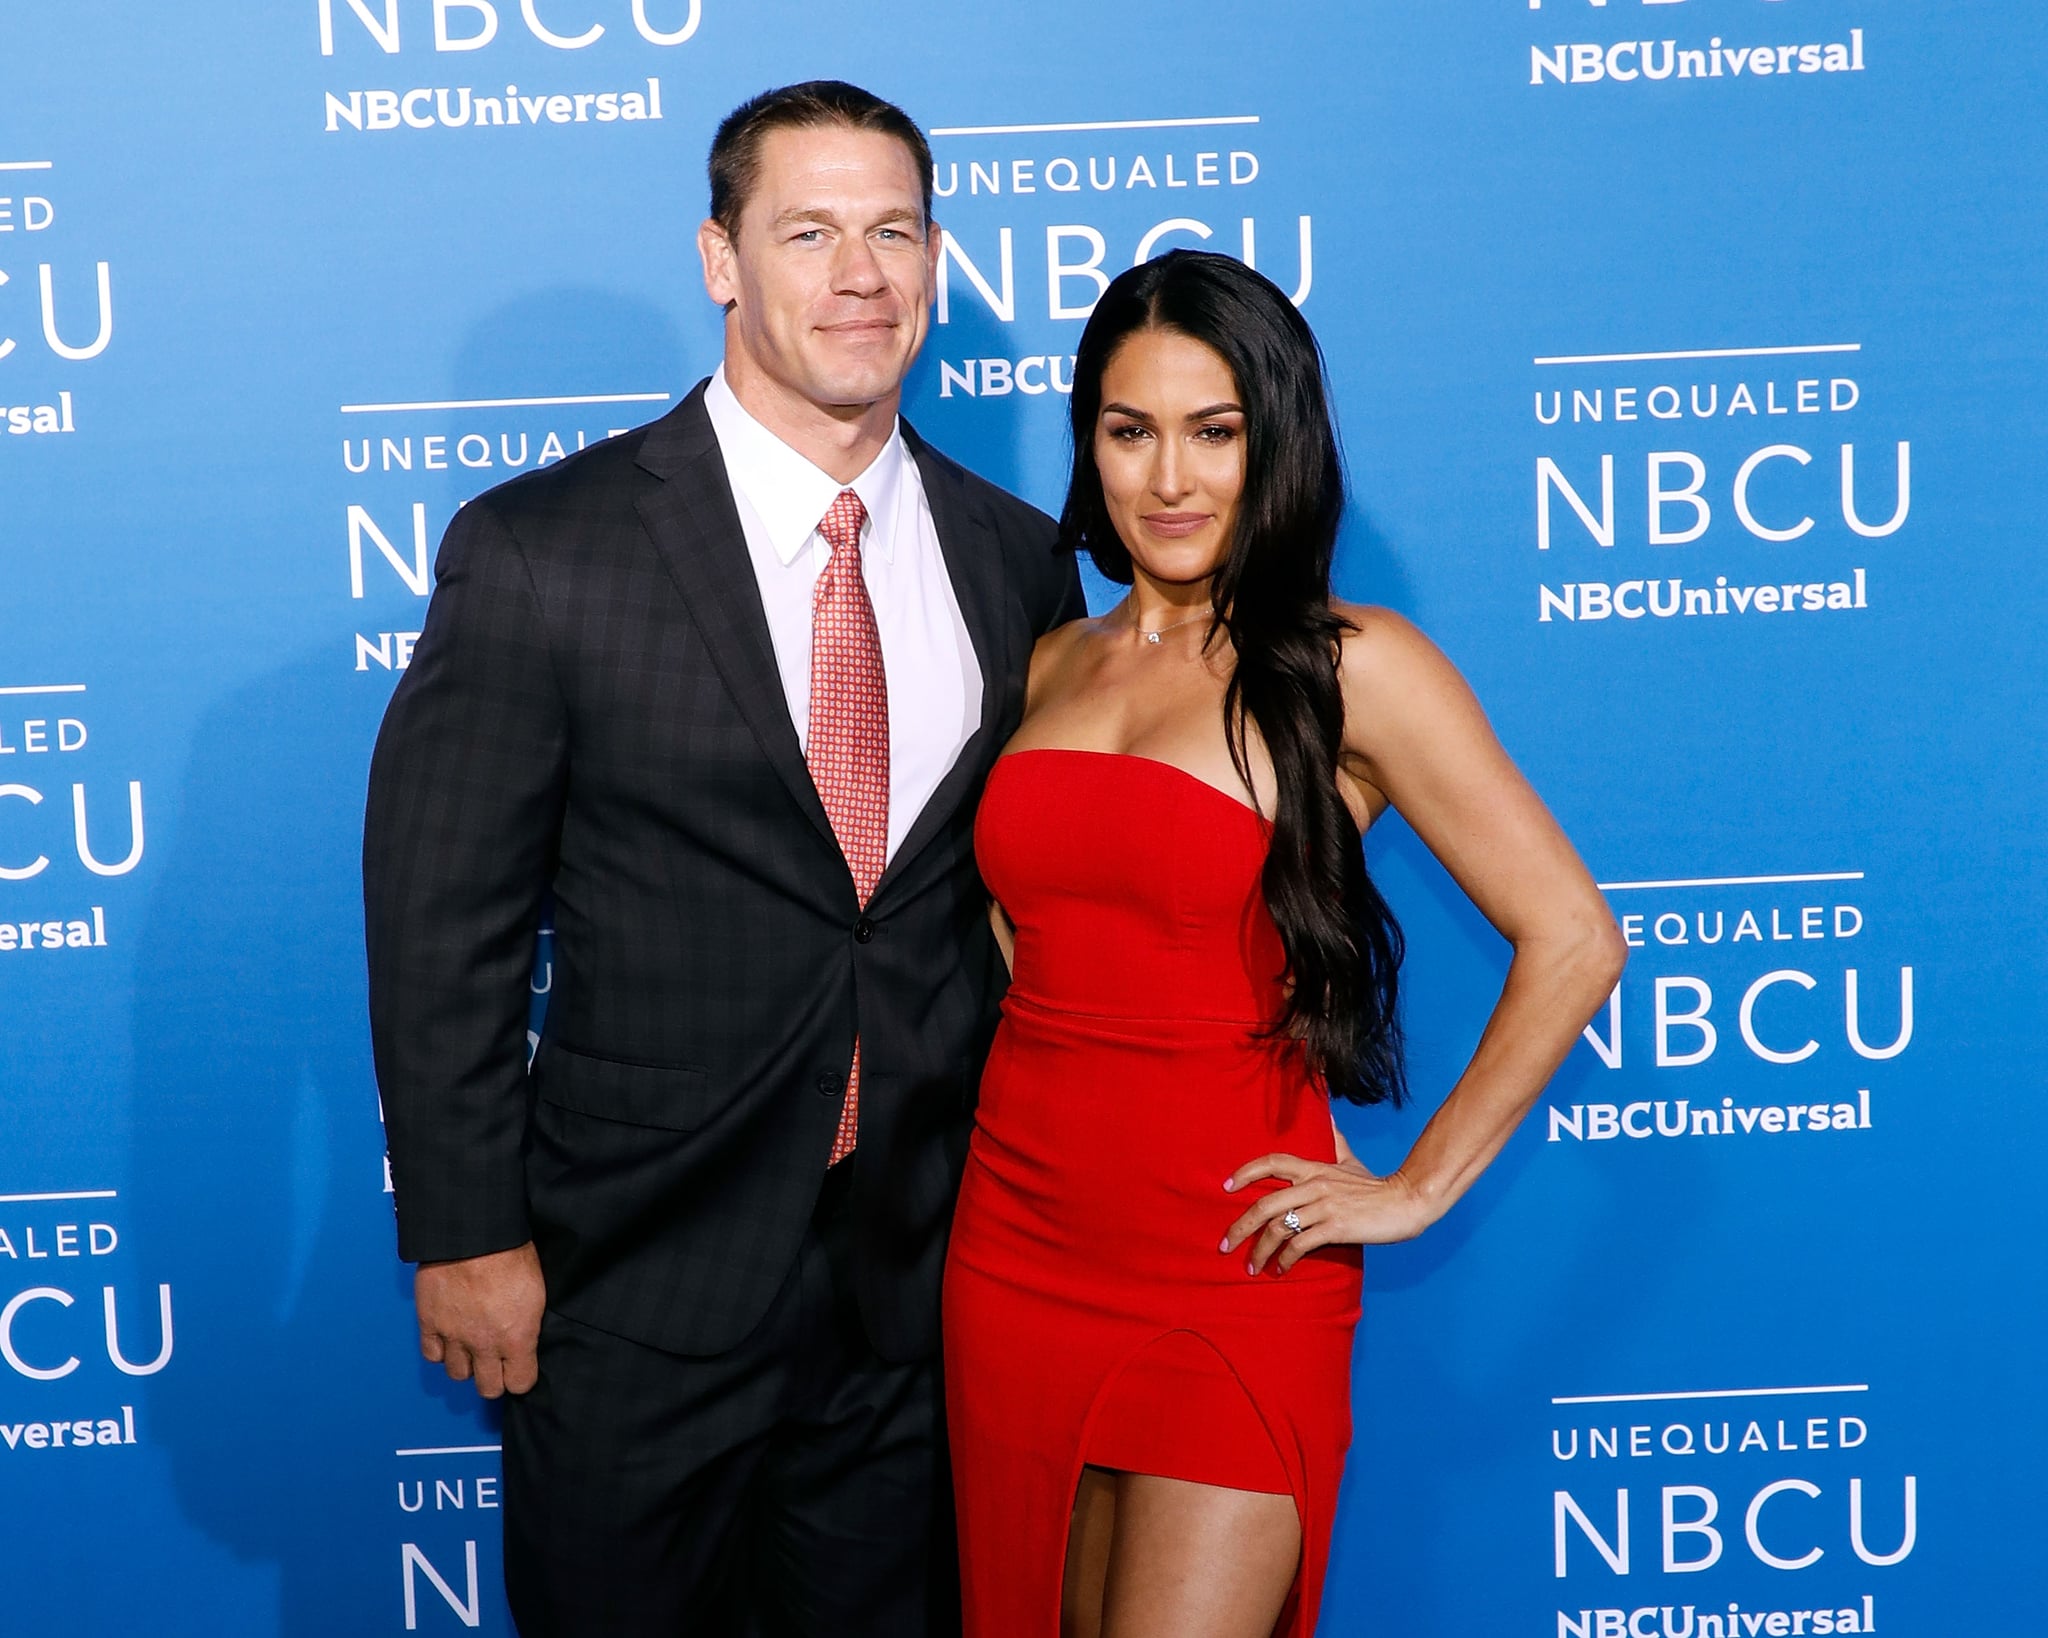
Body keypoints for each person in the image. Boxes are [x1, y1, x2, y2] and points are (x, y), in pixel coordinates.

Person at [362, 81, 1082, 1636]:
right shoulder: (547, 549)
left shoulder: (1017, 558)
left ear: (939, 264)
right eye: (809, 231)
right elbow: (442, 927)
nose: (861, 275)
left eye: (895, 231)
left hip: (918, 1287)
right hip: (634, 1286)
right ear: (720, 260)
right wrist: (466, 1230)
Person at [942, 249, 1627, 1638]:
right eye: (1130, 431)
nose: (1170, 478)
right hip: (1014, 1246)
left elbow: (1574, 935)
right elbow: (1033, 924)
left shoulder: (1351, 665)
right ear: (1090, 442)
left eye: (1215, 431)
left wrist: (1421, 1182)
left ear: (1278, 440)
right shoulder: (1053, 659)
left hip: (1234, 1267)